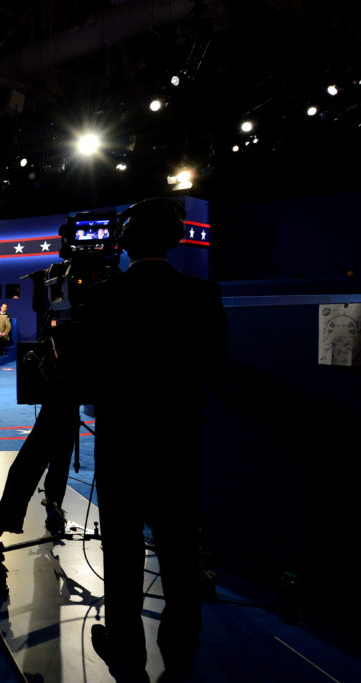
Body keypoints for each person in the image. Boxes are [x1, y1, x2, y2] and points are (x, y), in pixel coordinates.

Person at [83, 197, 228, 682]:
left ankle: (126, 646)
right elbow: (216, 370)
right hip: (179, 446)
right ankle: (181, 646)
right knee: (180, 550)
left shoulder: (103, 298)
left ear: (124, 242)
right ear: (174, 239)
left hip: (122, 447)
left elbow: (87, 380)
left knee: (121, 551)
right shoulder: (204, 294)